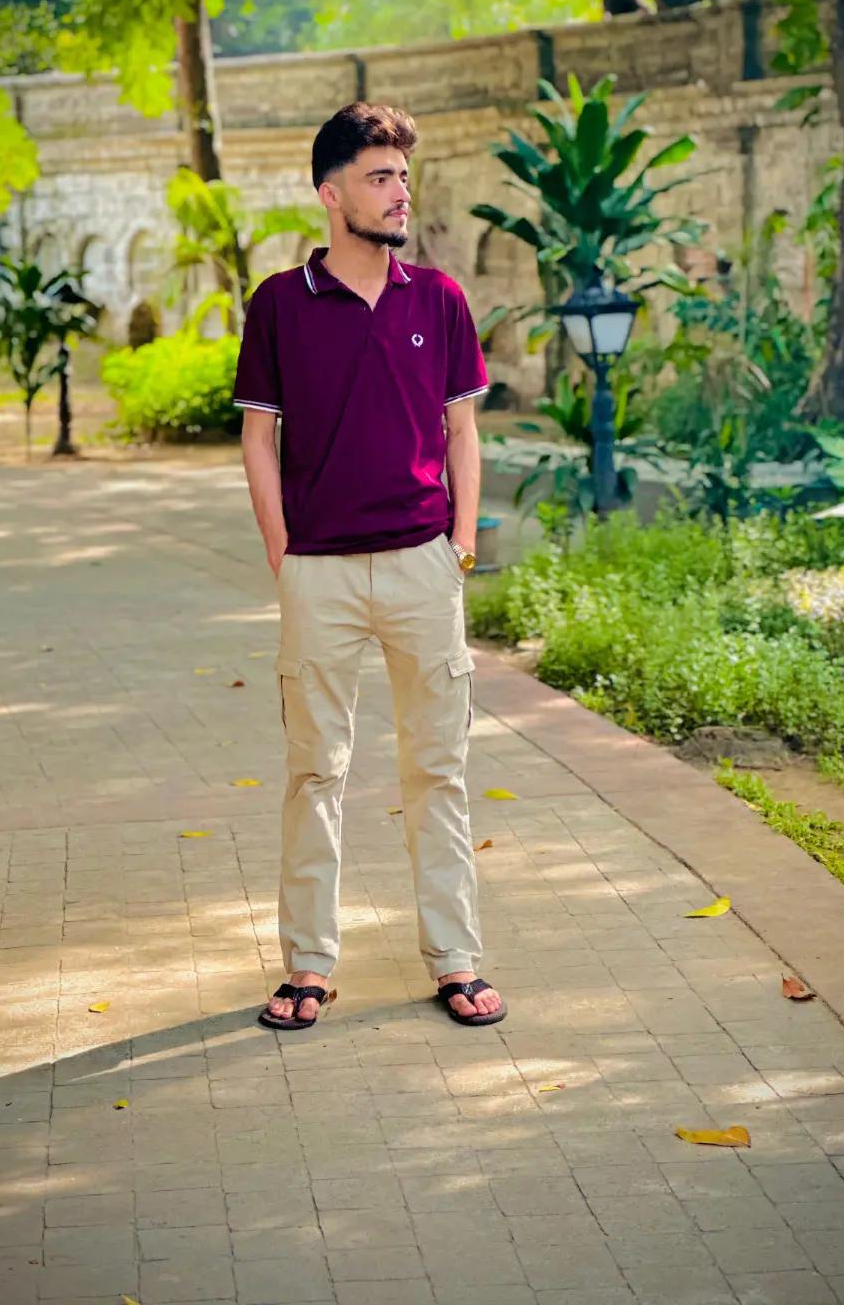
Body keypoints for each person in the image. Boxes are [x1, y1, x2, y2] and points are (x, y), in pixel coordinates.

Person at [233, 101, 507, 1033]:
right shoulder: (280, 303)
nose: (400, 194)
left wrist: (460, 544)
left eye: (403, 177)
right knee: (315, 773)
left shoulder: (439, 299)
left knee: (438, 771)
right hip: (321, 574)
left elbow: (461, 431)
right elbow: (259, 439)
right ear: (331, 193)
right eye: (380, 177)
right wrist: (283, 556)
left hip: (424, 565)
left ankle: (456, 959)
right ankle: (308, 965)